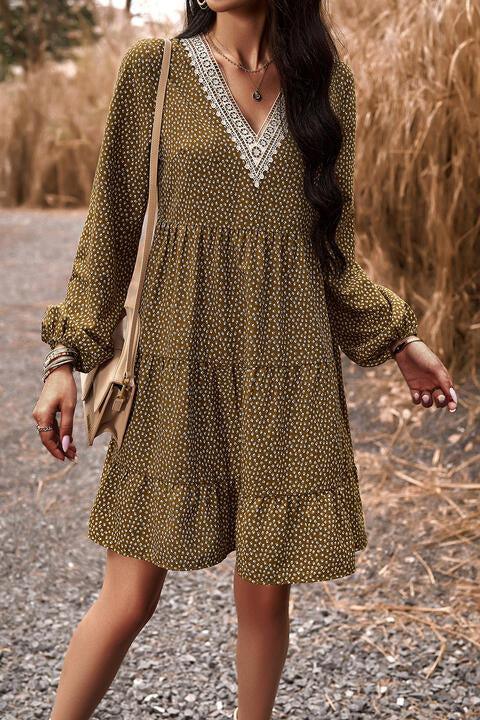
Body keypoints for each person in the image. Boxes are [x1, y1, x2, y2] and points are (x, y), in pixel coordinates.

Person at [33, 1, 458, 718]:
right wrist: (64, 358)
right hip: (177, 360)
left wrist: (399, 339)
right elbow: (110, 226)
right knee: (130, 596)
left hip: (288, 366)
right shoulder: (154, 71)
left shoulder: (328, 86)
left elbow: (333, 252)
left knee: (265, 597)